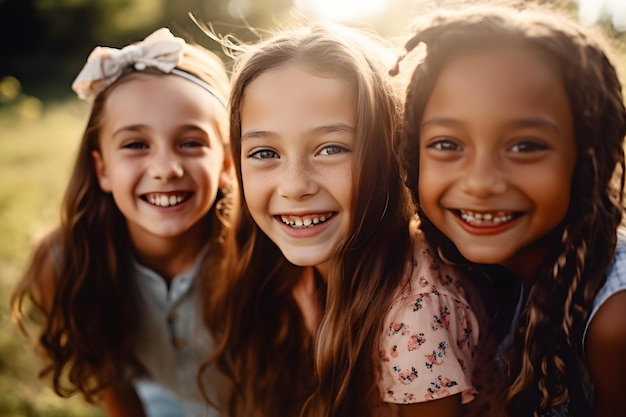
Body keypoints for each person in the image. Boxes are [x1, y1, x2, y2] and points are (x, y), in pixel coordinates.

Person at [202, 23, 481, 417]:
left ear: (390, 153)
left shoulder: (415, 315)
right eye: (265, 153)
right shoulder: (282, 269)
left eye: (331, 148)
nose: (294, 186)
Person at [391, 4, 626, 417]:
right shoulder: (479, 272)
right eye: (448, 144)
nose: (481, 183)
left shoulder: (614, 320)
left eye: (525, 146)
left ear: (586, 159)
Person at [11, 28, 238, 417]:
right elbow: (116, 389)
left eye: (191, 142)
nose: (166, 169)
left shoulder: (260, 257)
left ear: (226, 165)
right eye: (136, 144)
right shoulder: (66, 263)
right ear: (102, 169)